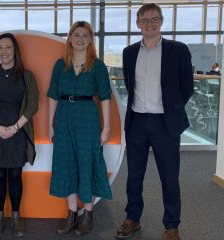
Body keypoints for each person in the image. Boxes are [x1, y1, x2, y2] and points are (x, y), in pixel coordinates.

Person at [116, 3, 194, 240]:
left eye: (154, 19)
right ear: (138, 23)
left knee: (169, 176)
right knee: (134, 176)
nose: (149, 24)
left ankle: (171, 226)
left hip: (166, 124)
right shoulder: (129, 52)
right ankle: (133, 219)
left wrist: (172, 108)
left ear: (161, 21)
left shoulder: (178, 49)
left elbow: (187, 87)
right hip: (137, 122)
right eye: (145, 19)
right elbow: (130, 86)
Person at [47, 21, 113, 236]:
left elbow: (104, 97)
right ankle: (72, 215)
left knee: (87, 163)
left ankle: (88, 215)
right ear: (70, 37)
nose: (81, 39)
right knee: (67, 164)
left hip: (88, 118)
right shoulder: (60, 65)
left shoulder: (98, 65)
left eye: (86, 35)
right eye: (76, 34)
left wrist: (106, 128)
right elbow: (53, 95)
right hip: (64, 118)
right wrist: (50, 124)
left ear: (91, 39)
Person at [0, 33, 39, 237]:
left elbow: (32, 105)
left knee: (15, 175)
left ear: (15, 51)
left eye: (8, 47)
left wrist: (14, 128)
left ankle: (15, 216)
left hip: (18, 131)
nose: (4, 51)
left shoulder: (27, 76)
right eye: (0, 48)